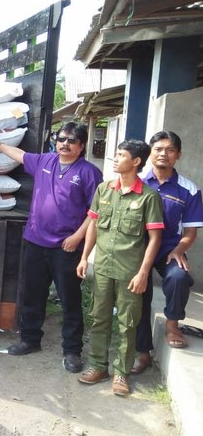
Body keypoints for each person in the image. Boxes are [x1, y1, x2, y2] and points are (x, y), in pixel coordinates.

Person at [0, 122, 103, 373]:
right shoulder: (46, 162)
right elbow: (20, 155)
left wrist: (78, 238)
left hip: (66, 247)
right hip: (35, 240)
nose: (64, 144)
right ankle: (30, 339)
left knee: (70, 299)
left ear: (81, 146)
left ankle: (71, 351)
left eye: (71, 140)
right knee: (32, 293)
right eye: (61, 139)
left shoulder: (90, 173)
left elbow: (96, 212)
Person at [77, 139, 164, 397]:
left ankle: (121, 374)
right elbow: (92, 225)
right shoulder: (104, 190)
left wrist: (143, 273)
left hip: (130, 273)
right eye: (116, 154)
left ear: (136, 162)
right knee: (99, 318)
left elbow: (155, 238)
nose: (115, 159)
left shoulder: (149, 197)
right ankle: (98, 366)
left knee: (128, 324)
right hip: (103, 267)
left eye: (121, 155)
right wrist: (84, 258)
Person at [131, 131, 203, 375]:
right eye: (158, 149)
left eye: (170, 150)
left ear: (178, 155)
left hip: (169, 249)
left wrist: (179, 249)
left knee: (179, 277)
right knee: (141, 294)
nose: (163, 154)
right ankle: (142, 353)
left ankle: (173, 325)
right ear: (150, 154)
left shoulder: (189, 189)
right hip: (137, 249)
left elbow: (191, 232)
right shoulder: (136, 181)